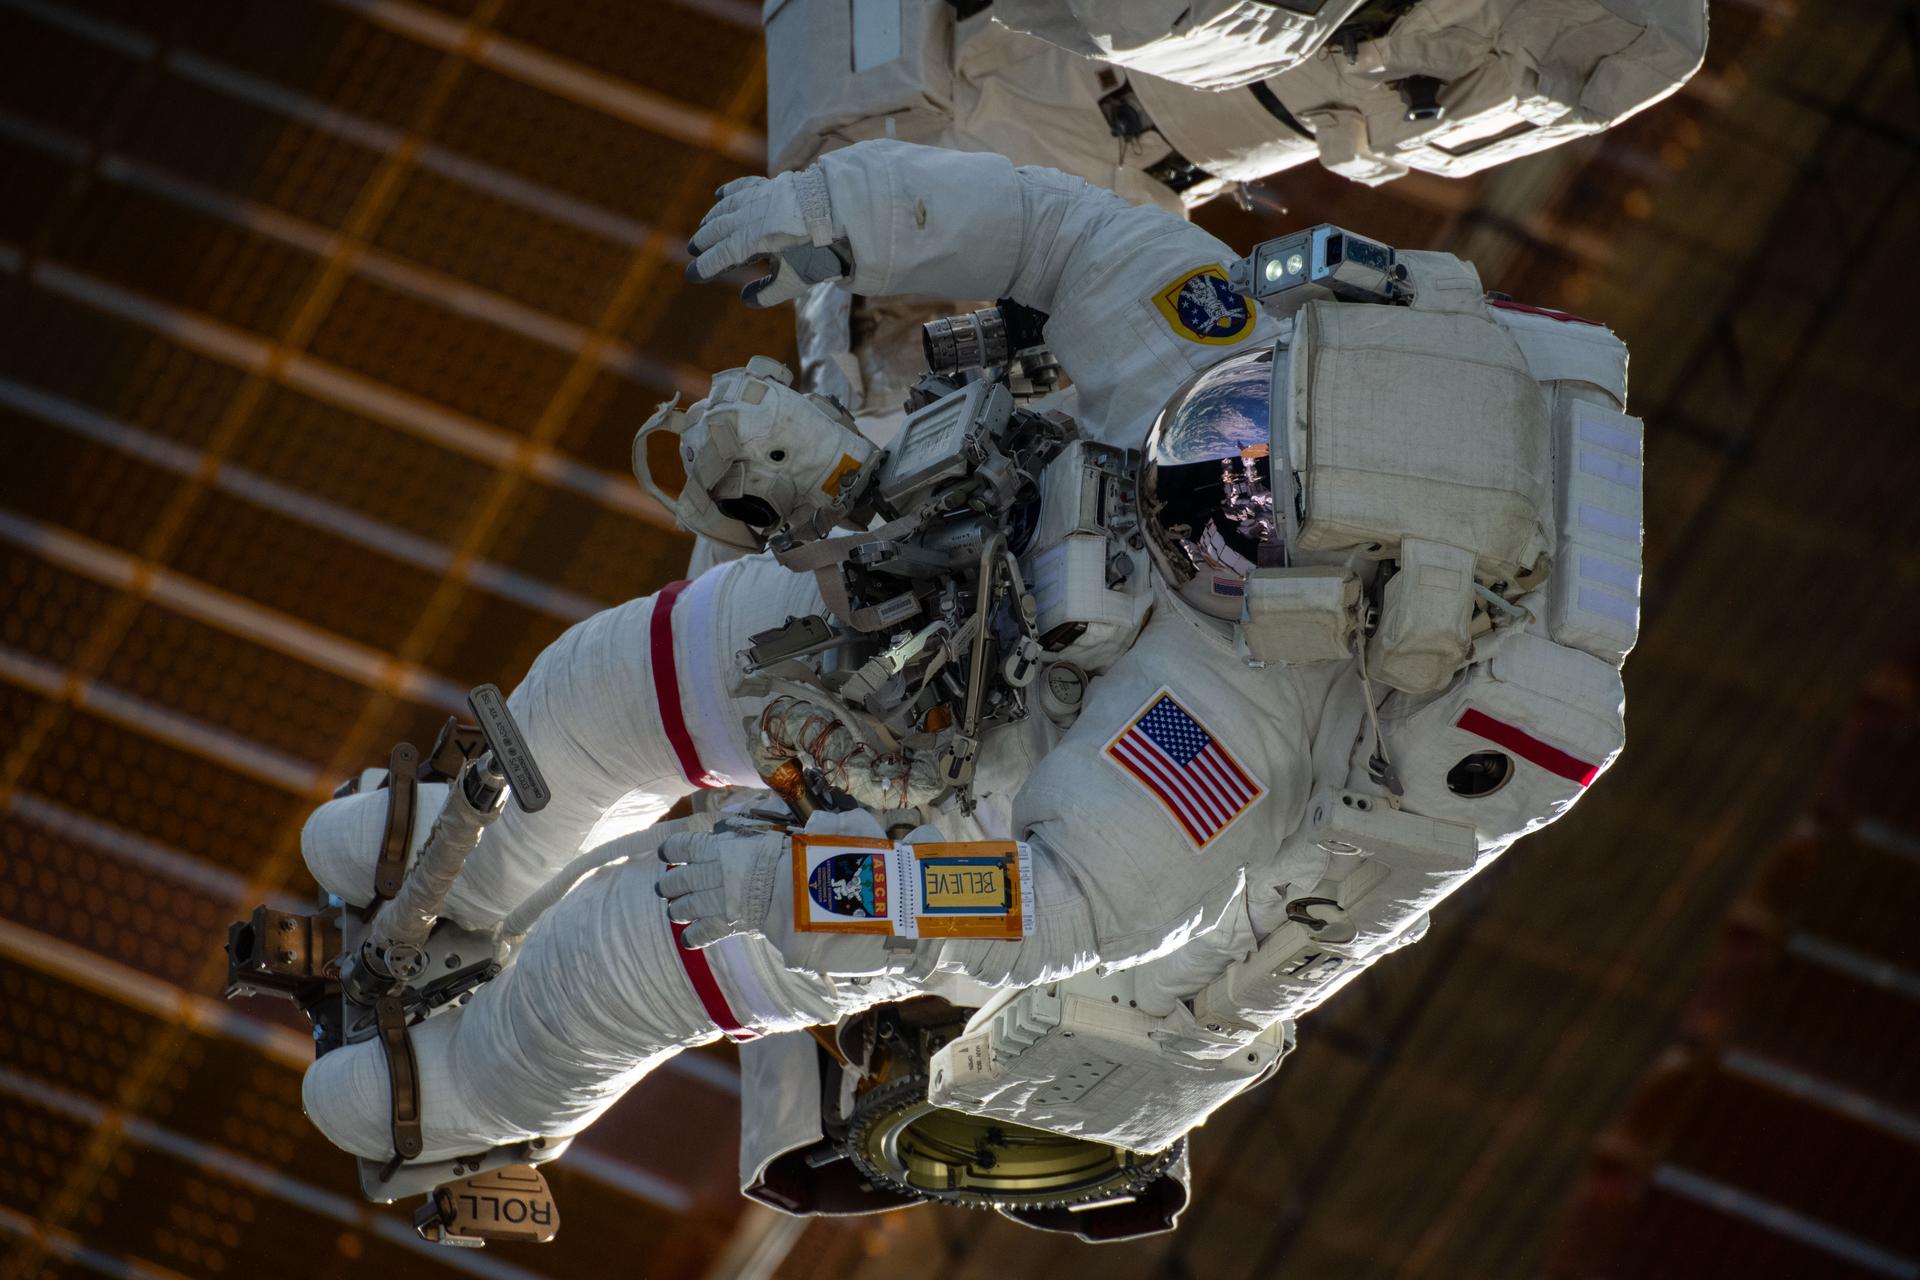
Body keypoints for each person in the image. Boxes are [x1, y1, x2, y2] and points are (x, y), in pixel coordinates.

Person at [297, 140, 1639, 1193]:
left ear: (1303, 597)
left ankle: (470, 1102)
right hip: (944, 581)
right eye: (1216, 434)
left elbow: (1050, 905)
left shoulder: (1230, 727)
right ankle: (463, 857)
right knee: (600, 688)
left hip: (992, 805)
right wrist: (839, 206)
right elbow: (1054, 228)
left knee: (639, 941)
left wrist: (792, 882)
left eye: (1231, 514)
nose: (1191, 485)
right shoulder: (1211, 352)